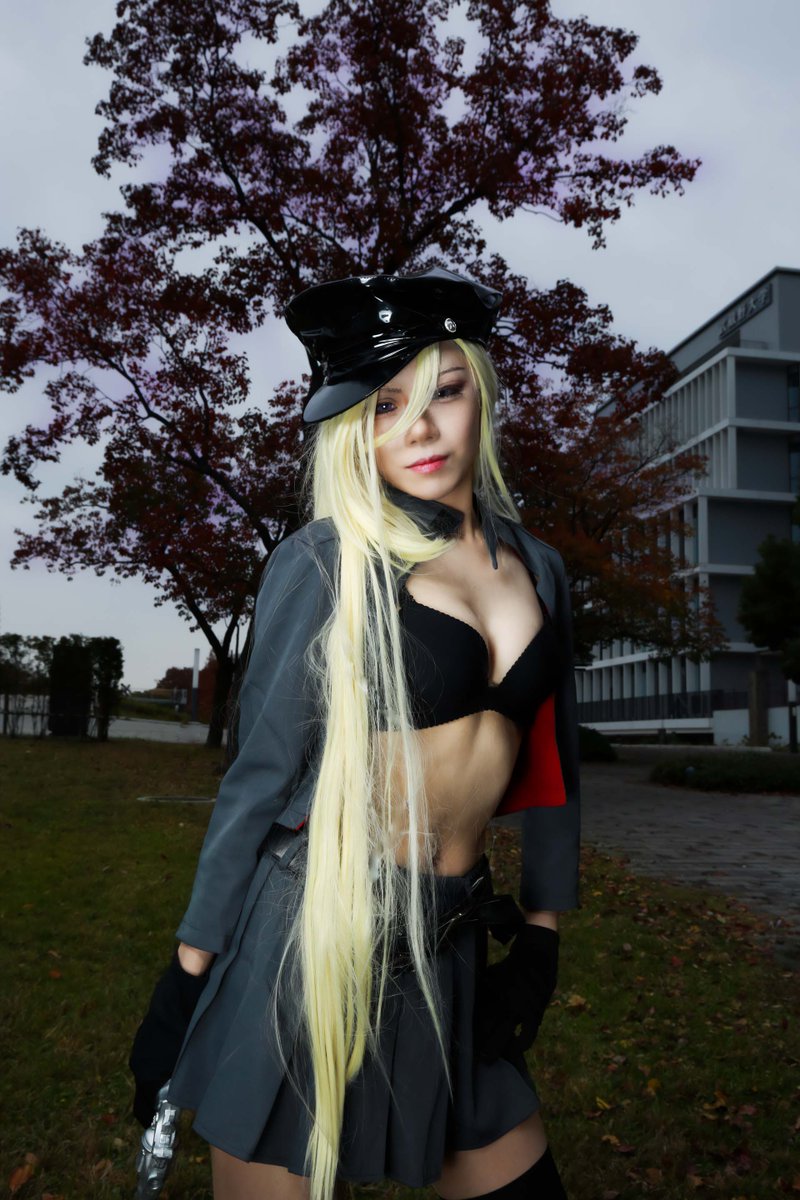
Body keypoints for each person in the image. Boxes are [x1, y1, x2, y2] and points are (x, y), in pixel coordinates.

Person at [129, 266, 581, 1200]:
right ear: (352, 428)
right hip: (311, 936)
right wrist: (185, 979)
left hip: (452, 942)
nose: (419, 429)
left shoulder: (538, 567)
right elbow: (258, 778)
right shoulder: (325, 561)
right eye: (384, 406)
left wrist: (540, 936)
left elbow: (552, 767)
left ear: (481, 397)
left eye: (444, 392)